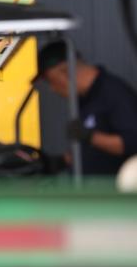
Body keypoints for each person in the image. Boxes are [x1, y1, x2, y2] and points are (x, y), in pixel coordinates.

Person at [37, 41, 137, 175]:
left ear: (65, 71)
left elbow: (131, 143)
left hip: (111, 190)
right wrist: (59, 162)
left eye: (51, 81)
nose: (53, 89)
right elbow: (89, 151)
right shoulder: (84, 99)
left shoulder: (113, 93)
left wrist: (90, 136)